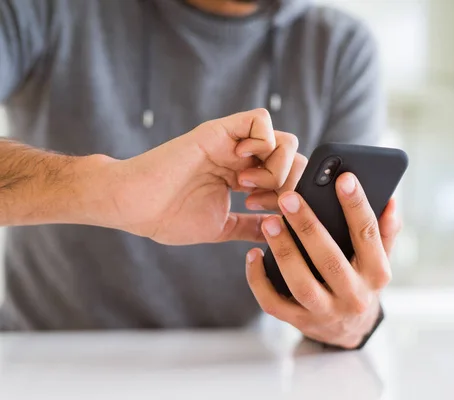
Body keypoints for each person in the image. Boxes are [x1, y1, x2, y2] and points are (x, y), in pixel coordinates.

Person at [0, 0, 399, 349]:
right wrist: (113, 189)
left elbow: (341, 293)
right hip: (41, 361)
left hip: (237, 368)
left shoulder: (339, 49)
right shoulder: (43, 8)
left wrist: (352, 320)